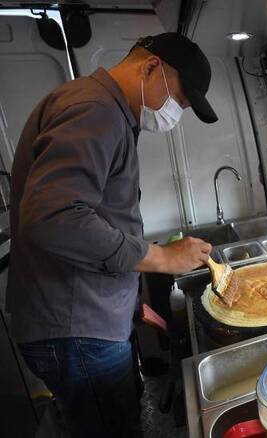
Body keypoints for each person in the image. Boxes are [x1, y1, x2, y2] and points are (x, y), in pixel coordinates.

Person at [7, 33, 217, 437]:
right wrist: (160, 258)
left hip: (85, 319)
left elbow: (95, 215)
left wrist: (126, 300)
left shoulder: (102, 110)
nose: (176, 112)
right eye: (180, 99)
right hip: (77, 329)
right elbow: (54, 217)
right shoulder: (95, 109)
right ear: (151, 67)